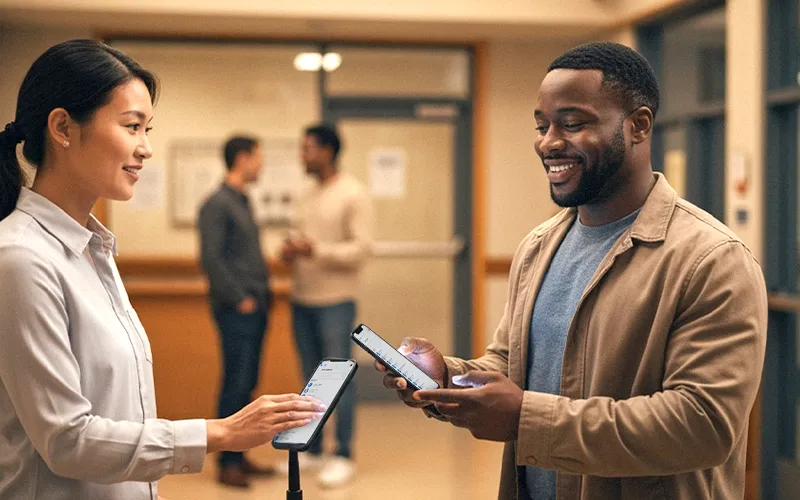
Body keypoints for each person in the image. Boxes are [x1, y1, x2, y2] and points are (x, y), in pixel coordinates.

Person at [380, 42, 767, 500]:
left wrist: (525, 416)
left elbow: (703, 425)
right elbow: (511, 364)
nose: (548, 143)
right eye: (542, 126)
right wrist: (447, 378)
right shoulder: (540, 246)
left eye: (572, 123)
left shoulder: (712, 259)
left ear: (638, 125)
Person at [0, 39, 326, 500]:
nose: (145, 148)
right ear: (63, 127)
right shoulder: (21, 257)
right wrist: (220, 433)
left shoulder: (93, 249)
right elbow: (67, 441)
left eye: (147, 129)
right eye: (133, 127)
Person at [280, 123, 373, 488]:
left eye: (307, 149)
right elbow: (301, 237)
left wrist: (314, 250)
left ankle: (343, 454)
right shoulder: (306, 193)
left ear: (327, 152)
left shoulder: (354, 193)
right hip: (301, 298)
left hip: (336, 302)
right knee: (310, 379)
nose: (302, 156)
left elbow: (362, 250)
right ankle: (315, 449)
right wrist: (291, 249)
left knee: (338, 380)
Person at [198, 135, 275, 488]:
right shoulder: (217, 204)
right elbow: (212, 260)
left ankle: (240, 456)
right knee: (235, 382)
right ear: (242, 159)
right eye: (258, 158)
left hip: (256, 305)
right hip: (237, 308)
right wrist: (238, 298)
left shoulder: (242, 200)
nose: (261, 164)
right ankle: (227, 462)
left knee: (248, 382)